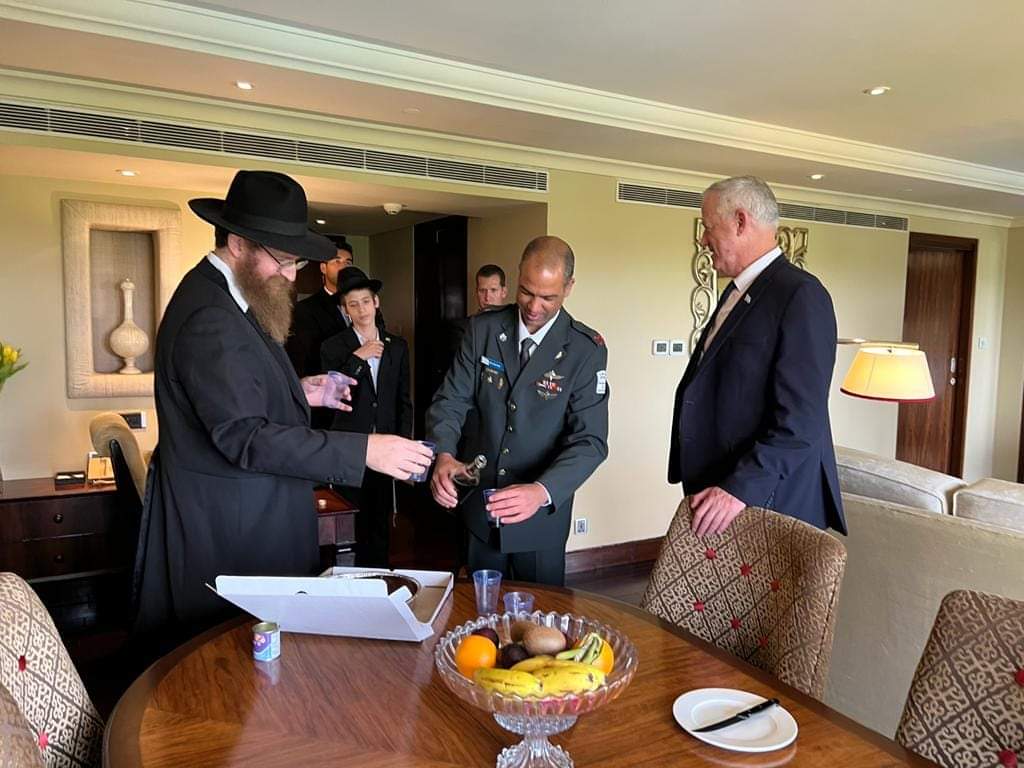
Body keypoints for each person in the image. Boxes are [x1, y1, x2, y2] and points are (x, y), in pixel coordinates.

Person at [136, 170, 432, 642]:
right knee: (229, 661)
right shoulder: (210, 316)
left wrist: (301, 390)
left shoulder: (227, 298)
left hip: (243, 517)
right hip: (231, 532)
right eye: (284, 261)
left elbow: (233, 391)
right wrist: (364, 449)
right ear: (238, 244)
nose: (292, 276)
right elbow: (244, 436)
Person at [668, 175, 846, 537]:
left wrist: (738, 489)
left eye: (708, 227)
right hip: (722, 492)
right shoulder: (738, 291)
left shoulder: (800, 295)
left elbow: (801, 422)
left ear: (740, 221)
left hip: (765, 500)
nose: (703, 239)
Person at [427, 236, 609, 586]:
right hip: (480, 509)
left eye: (548, 297)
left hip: (540, 520)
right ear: (518, 276)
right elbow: (451, 399)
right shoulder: (483, 329)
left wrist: (541, 490)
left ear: (569, 287)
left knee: (540, 613)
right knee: (477, 610)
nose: (534, 307)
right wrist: (444, 453)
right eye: (526, 292)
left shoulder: (585, 350)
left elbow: (590, 442)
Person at [320, 267, 413, 567]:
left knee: (380, 518)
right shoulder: (333, 347)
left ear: (376, 302)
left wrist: (405, 445)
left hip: (385, 444)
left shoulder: (397, 346)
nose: (361, 310)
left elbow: (403, 400)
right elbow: (332, 395)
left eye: (365, 301)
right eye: (353, 304)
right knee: (351, 518)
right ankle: (350, 578)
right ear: (345, 310)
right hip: (350, 444)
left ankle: (379, 573)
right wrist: (358, 358)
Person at [285, 234, 353, 428]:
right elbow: (301, 360)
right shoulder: (305, 310)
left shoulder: (364, 306)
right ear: (323, 268)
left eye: (348, 262)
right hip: (324, 405)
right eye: (337, 261)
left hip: (360, 404)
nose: (343, 267)